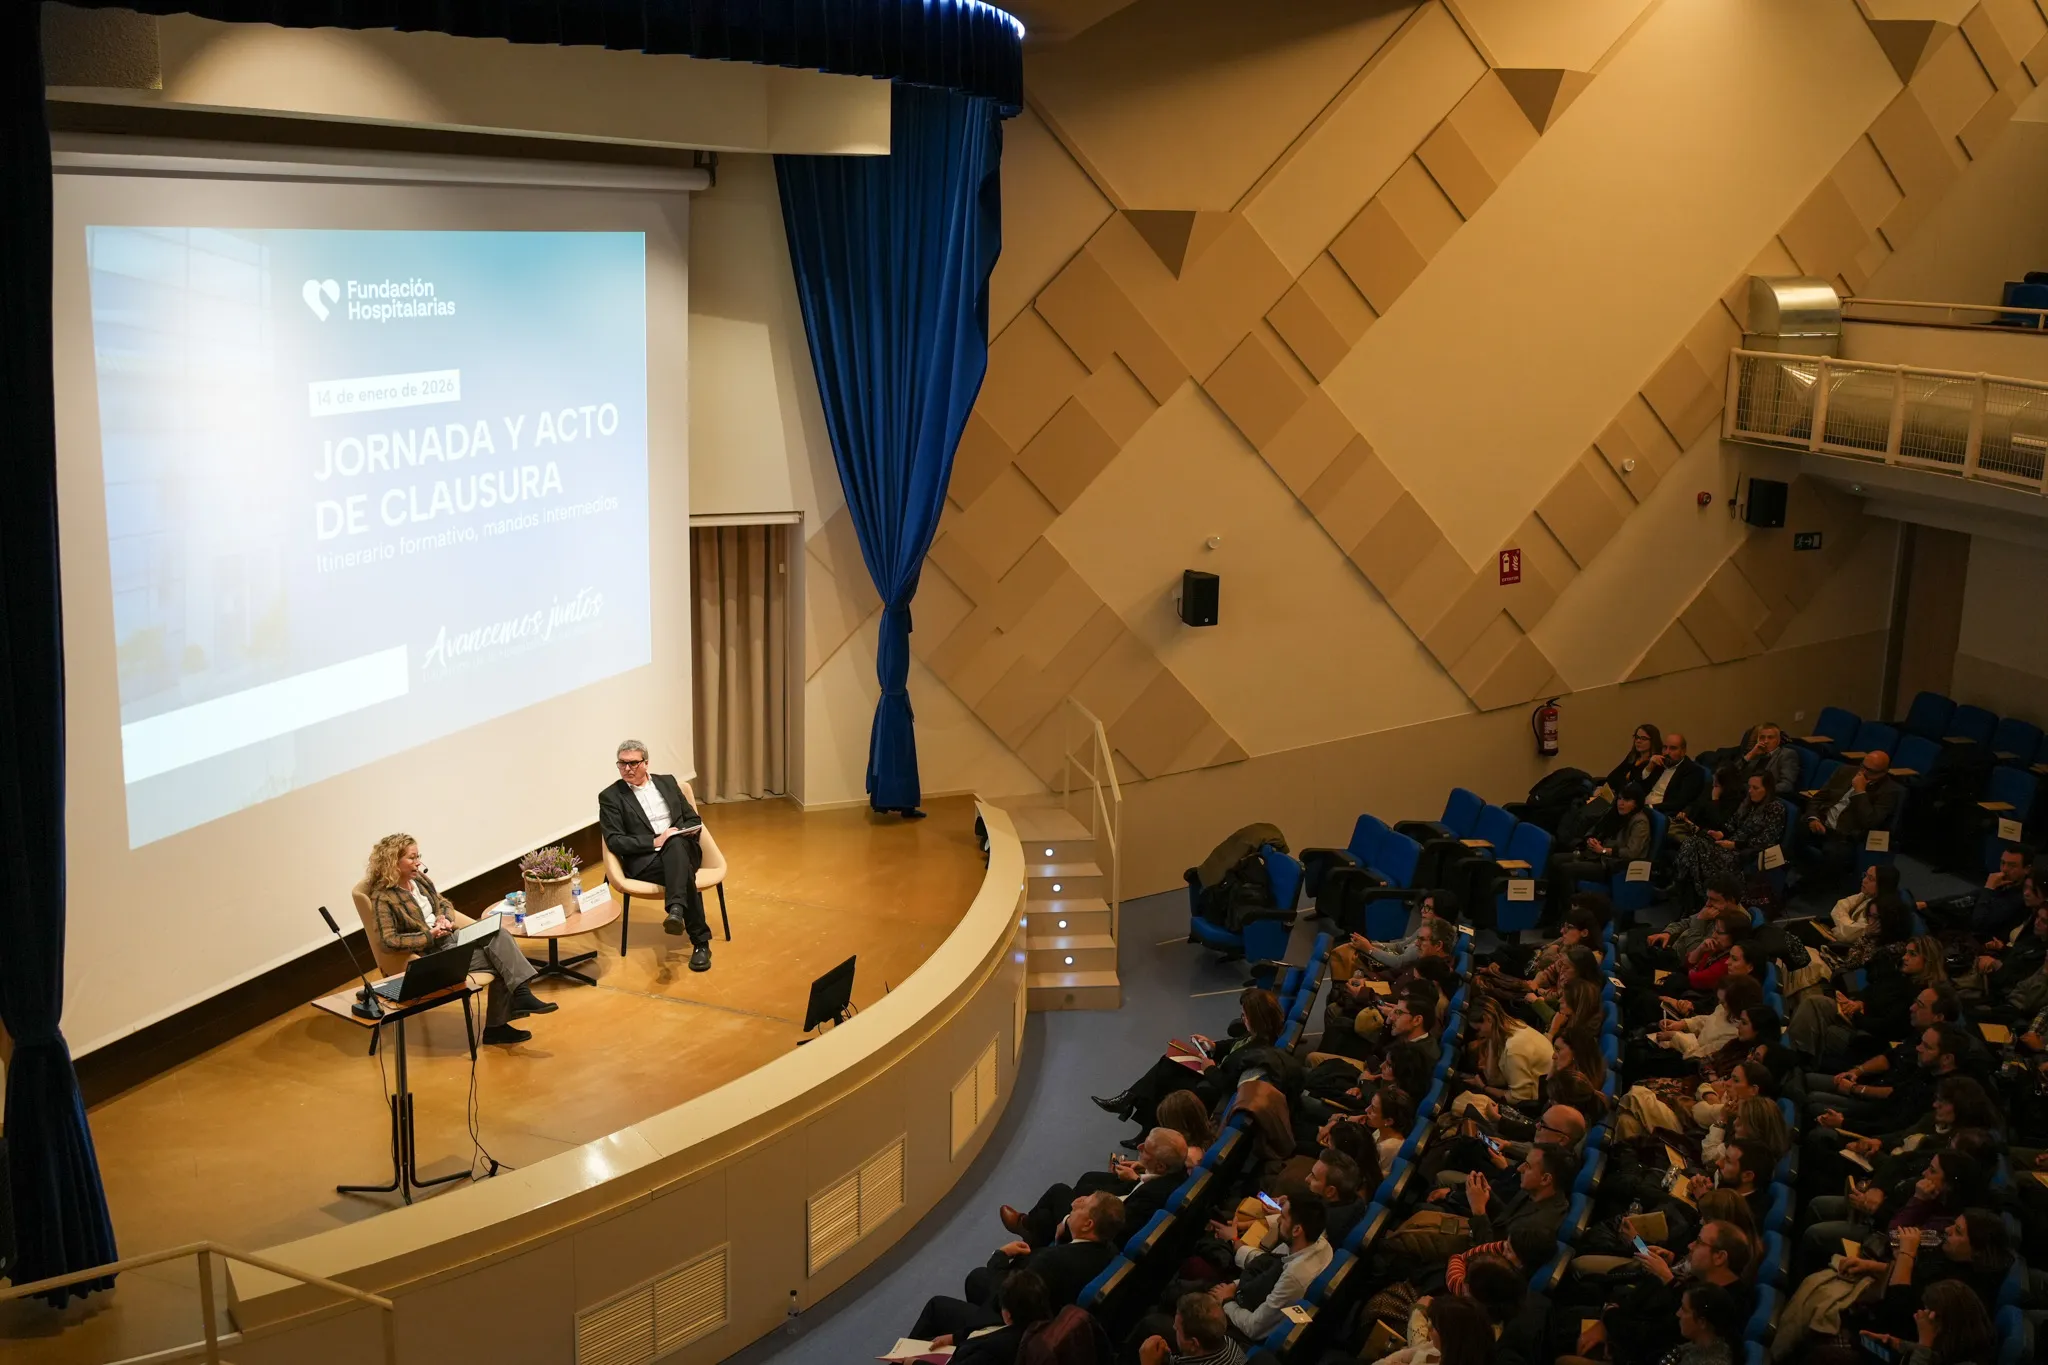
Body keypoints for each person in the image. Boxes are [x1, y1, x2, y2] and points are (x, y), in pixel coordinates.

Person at [364, 833, 554, 1046]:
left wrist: (443, 917)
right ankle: (503, 1019)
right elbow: (389, 941)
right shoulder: (384, 898)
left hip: (450, 937)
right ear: (393, 862)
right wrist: (429, 934)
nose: (418, 863)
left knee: (499, 934)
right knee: (502, 958)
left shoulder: (419, 880)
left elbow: (443, 903)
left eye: (419, 856)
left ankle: (519, 997)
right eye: (412, 858)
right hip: (433, 952)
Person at [909, 1191, 1123, 1341]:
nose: (1075, 1204)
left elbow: (1008, 1291)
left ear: (1088, 1225)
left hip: (1017, 1326)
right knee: (976, 1278)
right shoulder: (1110, 1250)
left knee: (937, 1307)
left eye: (1083, 1206)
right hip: (1049, 1312)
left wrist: (1000, 1256)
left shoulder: (1053, 1261)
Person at [1095, 988, 1285, 1133]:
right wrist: (1214, 1046)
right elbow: (1234, 1044)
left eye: (1245, 1016)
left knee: (1164, 1077)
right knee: (1168, 1061)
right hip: (1213, 1073)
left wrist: (1210, 1069)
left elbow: (1229, 1085)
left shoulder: (1259, 1051)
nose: (1242, 1019)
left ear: (1257, 1019)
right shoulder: (1255, 1035)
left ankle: (1131, 1103)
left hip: (1212, 1089)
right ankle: (1133, 1105)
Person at [597, 739, 713, 971]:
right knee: (683, 872)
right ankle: (700, 943)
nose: (627, 769)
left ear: (646, 763)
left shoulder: (668, 783)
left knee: (676, 845)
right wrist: (655, 841)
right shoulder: (611, 796)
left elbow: (693, 819)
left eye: (633, 763)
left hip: (683, 850)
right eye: (622, 764)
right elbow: (615, 840)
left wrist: (676, 834)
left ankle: (676, 910)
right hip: (647, 861)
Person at [999, 1128, 1187, 1248]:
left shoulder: (1150, 1196)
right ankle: (1035, 1233)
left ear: (1161, 1167)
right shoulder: (1176, 1174)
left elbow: (1114, 1229)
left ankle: (1028, 1227)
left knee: (1059, 1191)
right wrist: (1142, 1172)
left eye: (1145, 1149)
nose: (1138, 1147)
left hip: (1097, 1232)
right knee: (1087, 1181)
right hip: (1123, 1201)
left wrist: (1075, 1214)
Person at [1212, 1194, 1332, 1341]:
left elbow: (1254, 1328)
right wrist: (1234, 1285)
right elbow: (1266, 1263)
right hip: (1251, 1290)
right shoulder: (1321, 1243)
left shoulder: (1293, 1277)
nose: (1278, 1220)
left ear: (1297, 1230)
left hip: (1251, 1327)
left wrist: (1227, 1301)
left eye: (1282, 1217)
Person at [1672, 773, 1786, 910]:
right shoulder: (1748, 803)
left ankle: (1688, 896)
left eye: (1755, 788)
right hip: (1729, 844)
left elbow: (1766, 840)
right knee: (1692, 843)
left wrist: (1735, 845)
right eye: (1749, 787)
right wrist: (1721, 833)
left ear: (1767, 789)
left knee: (1694, 850)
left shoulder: (1775, 808)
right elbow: (1732, 824)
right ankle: (1691, 898)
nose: (1750, 791)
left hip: (1744, 854)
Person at [1547, 785, 1653, 918]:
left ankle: (1569, 919)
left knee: (1566, 869)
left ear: (1636, 803)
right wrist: (1591, 840)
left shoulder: (1640, 822)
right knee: (1554, 860)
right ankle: (1550, 915)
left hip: (1613, 865)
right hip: (1597, 856)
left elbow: (1632, 852)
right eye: (1619, 799)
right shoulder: (1615, 813)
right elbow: (1595, 829)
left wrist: (1603, 850)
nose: (1621, 803)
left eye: (1626, 800)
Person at [1802, 751, 1902, 877]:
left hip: (1844, 837)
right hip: (1821, 823)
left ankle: (1809, 886)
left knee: (1832, 855)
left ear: (1883, 772)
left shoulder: (1890, 791)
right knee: (1794, 829)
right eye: (1863, 766)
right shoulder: (1845, 771)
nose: (1863, 773)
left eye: (1870, 771)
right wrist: (1813, 818)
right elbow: (1818, 798)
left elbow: (1870, 821)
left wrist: (1860, 792)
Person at [1864, 1278, 1996, 1365]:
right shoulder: (1955, 1346)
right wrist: (1899, 1344)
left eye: (1932, 1315)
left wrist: (1924, 1343)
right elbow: (1937, 1357)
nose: (1924, 1318)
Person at [937, 1270, 1054, 1365]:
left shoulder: (992, 1351)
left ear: (1008, 1315)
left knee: (936, 1305)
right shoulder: (1048, 1324)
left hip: (960, 1355)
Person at [1138, 1292, 1245, 1365]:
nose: (1173, 1327)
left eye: (1177, 1329)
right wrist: (1167, 1359)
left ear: (1193, 1343)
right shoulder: (1227, 1342)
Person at [1644, 732, 1709, 814]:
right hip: (1642, 807)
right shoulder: (1658, 763)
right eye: (1665, 748)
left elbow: (1680, 802)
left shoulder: (1693, 771)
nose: (1667, 752)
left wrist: (1650, 807)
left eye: (1672, 748)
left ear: (1683, 751)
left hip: (1660, 812)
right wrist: (1649, 767)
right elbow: (1640, 786)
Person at [1737, 721, 1801, 796]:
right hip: (1744, 792)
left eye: (1770, 737)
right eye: (1762, 737)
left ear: (1778, 740)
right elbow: (1733, 773)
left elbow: (1787, 785)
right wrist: (1750, 755)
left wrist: (1762, 791)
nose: (1766, 741)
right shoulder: (1755, 753)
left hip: (1767, 796)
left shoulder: (1786, 754)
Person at [1604, 723, 1665, 794]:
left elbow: (1638, 785)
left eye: (1643, 738)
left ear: (1653, 741)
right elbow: (1612, 777)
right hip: (1617, 795)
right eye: (1637, 737)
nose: (1638, 741)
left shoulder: (1655, 762)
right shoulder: (1633, 756)